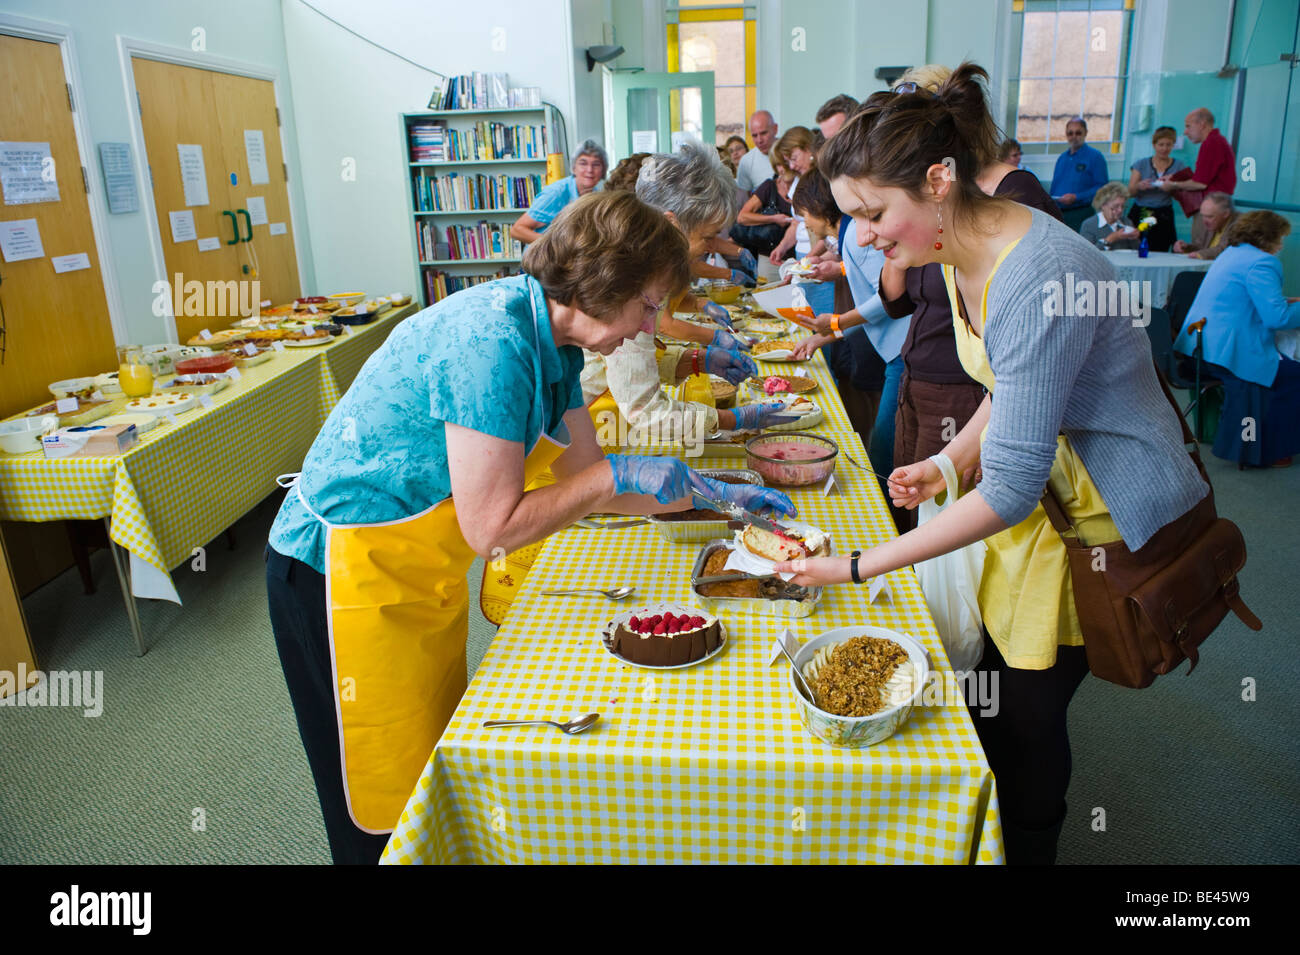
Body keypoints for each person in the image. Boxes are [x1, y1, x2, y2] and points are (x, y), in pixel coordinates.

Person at [266, 190, 795, 864]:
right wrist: (619, 477)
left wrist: (708, 496)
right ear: (607, 285)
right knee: (379, 804)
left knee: (428, 774)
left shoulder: (555, 344)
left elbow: (586, 479)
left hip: (413, 575)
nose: (650, 325)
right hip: (336, 577)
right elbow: (494, 527)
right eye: (650, 303)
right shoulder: (492, 342)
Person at [785, 64, 1209, 866]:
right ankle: (991, 833)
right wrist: (947, 464)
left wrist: (856, 564)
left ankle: (1032, 841)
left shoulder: (1036, 273)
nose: (866, 237)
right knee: (991, 699)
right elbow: (1007, 387)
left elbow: (1011, 486)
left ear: (938, 179)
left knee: (1027, 715)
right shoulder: (958, 242)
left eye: (874, 214)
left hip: (1100, 521)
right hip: (1048, 501)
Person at [879, 64, 1063, 533]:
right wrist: (890, 232)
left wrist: (859, 568)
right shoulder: (936, 208)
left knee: (947, 524)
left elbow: (1018, 369)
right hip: (922, 371)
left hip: (965, 388)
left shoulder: (1012, 201)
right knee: (912, 507)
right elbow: (899, 301)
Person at [582, 143, 792, 443]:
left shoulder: (644, 266)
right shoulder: (631, 285)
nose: (711, 248)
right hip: (584, 428)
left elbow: (633, 363)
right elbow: (646, 409)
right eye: (707, 238)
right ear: (671, 223)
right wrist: (732, 419)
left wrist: (697, 360)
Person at [1173, 210, 1300, 467]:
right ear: (1269, 237)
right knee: (1292, 374)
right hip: (1226, 352)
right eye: (1282, 237)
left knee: (1282, 371)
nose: (1282, 243)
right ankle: (1273, 449)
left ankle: (1262, 443)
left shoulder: (1232, 254)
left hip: (1199, 346)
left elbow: (1247, 300)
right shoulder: (1264, 262)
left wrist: (1286, 302)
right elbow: (1277, 319)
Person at [1159, 108, 1236, 239]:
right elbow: (1205, 177)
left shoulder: (1211, 143)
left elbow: (1200, 183)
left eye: (1188, 126)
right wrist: (1175, 178)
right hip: (1216, 205)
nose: (1185, 132)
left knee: (1200, 248)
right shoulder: (1218, 141)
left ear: (1202, 124)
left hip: (1212, 207)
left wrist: (1173, 184)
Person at [510, 140, 607, 244]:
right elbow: (516, 230)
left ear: (603, 170)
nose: (589, 170)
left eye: (596, 164)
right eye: (583, 163)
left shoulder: (596, 195)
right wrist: (557, 247)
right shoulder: (556, 193)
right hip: (545, 256)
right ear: (574, 168)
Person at [768, 126, 825, 266]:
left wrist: (805, 262)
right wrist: (783, 246)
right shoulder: (798, 180)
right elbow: (796, 221)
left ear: (808, 148)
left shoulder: (824, 179)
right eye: (788, 162)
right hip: (803, 253)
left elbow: (831, 231)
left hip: (823, 256)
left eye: (794, 158)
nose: (792, 166)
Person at [1126, 126, 1186, 252]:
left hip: (1164, 214)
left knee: (1161, 249)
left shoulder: (1179, 166)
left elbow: (1182, 194)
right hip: (1142, 212)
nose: (1164, 148)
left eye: (1168, 145)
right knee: (1138, 248)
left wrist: (1171, 187)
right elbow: (1130, 192)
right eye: (1161, 144)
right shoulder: (1141, 164)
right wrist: (1139, 186)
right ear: (1154, 145)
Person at [1049, 116, 1109, 232]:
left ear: (1085, 133)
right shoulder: (1062, 158)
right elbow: (1055, 187)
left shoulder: (1095, 157)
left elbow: (1102, 188)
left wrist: (1077, 197)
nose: (1074, 137)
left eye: (1078, 133)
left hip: (1081, 213)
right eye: (1070, 133)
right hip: (1059, 214)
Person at [730, 160, 795, 257]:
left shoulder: (804, 186)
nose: (782, 169)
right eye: (778, 164)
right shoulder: (769, 186)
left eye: (786, 164)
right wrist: (774, 219)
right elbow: (742, 217)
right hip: (768, 254)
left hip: (798, 253)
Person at [1173, 191, 1237, 260]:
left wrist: (1199, 254)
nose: (1204, 221)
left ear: (1226, 214)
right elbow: (1202, 247)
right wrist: (1186, 248)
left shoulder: (1238, 225)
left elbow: (1224, 249)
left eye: (1210, 216)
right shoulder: (1213, 222)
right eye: (1202, 215)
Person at [1079, 182, 1141, 250]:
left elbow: (1136, 251)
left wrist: (1135, 238)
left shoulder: (1126, 222)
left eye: (1123, 206)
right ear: (1103, 205)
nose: (1120, 210)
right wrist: (1109, 239)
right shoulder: (1089, 225)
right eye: (1116, 206)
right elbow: (1087, 253)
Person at [735, 110, 778, 194]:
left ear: (775, 129)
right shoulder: (746, 162)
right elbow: (743, 199)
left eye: (764, 133)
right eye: (754, 135)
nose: (759, 140)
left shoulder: (792, 153)